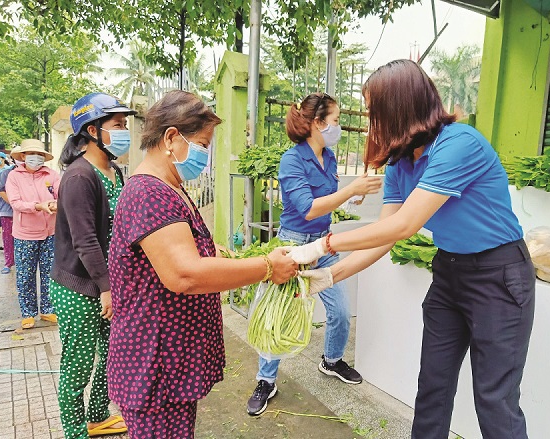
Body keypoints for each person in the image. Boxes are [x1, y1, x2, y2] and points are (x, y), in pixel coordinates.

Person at [287, 60, 535, 439]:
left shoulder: (458, 144)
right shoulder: (402, 164)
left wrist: (323, 244)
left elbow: (406, 224)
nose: (371, 122)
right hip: (450, 272)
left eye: (375, 112)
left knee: (494, 399)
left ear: (399, 107)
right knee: (433, 386)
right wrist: (327, 275)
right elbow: (385, 234)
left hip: (498, 274)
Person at [106, 90, 298, 439]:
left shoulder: (169, 185)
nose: (206, 155)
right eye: (203, 144)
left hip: (171, 361)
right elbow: (184, 273)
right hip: (154, 364)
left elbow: (179, 254)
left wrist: (211, 252)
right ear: (171, 137)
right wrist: (266, 267)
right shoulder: (148, 193)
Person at [246, 92, 383, 416]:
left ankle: (331, 360)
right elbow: (307, 209)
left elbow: (331, 199)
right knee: (277, 315)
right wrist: (351, 190)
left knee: (340, 310)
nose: (338, 126)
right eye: (334, 121)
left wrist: (353, 199)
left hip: (326, 243)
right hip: (294, 246)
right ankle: (266, 380)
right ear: (317, 124)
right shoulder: (292, 160)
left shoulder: (330, 157)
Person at [49, 93, 135, 439]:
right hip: (79, 287)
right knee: (79, 364)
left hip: (107, 286)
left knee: (112, 356)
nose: (124, 131)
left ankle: (98, 416)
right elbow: (86, 241)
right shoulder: (79, 177)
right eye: (118, 125)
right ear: (92, 130)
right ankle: (74, 431)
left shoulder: (113, 171)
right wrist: (105, 287)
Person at [6, 139, 60, 329]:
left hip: (50, 233)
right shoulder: (14, 177)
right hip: (25, 234)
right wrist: (38, 206)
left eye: (39, 155)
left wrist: (56, 204)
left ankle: (47, 309)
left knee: (49, 273)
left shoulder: (52, 175)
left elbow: (60, 195)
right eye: (31, 154)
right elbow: (15, 202)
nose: (36, 158)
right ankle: (28, 313)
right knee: (25, 275)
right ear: (23, 156)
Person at [0, 147, 19, 274]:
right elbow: (0, 190)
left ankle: (21, 262)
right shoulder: (6, 173)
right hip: (8, 212)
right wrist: (15, 204)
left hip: (26, 213)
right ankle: (9, 262)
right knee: (8, 238)